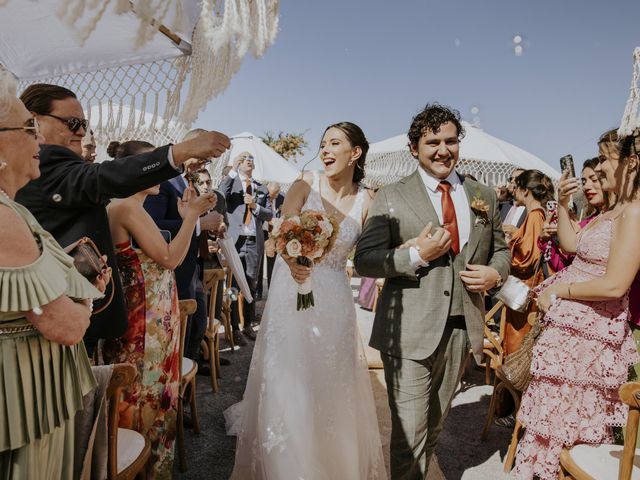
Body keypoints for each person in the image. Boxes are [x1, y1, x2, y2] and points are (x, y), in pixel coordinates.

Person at [354, 103, 511, 479]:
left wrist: (494, 273)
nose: (443, 150)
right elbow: (366, 260)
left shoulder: (482, 195)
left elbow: (501, 249)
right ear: (414, 148)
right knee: (409, 433)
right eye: (432, 142)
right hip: (409, 331)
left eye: (451, 141)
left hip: (462, 327)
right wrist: (415, 255)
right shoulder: (391, 195)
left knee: (435, 425)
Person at [15, 84, 230, 354]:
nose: (81, 131)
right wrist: (180, 152)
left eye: (83, 123)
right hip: (58, 317)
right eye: (72, 122)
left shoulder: (55, 169)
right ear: (34, 120)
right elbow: (105, 176)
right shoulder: (48, 162)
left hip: (75, 310)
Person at [224, 122, 385, 479]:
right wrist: (293, 260)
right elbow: (283, 231)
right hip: (294, 288)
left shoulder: (368, 199)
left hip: (336, 298)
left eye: (335, 144)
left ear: (355, 153)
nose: (325, 150)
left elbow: (372, 254)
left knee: (332, 378)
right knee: (289, 375)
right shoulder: (305, 183)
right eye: (323, 143)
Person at [513, 128, 640, 480]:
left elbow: (616, 285)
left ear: (630, 163)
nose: (598, 168)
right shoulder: (614, 211)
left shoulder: (636, 213)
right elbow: (571, 246)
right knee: (549, 424)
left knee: (568, 430)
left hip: (588, 341)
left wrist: (559, 292)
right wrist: (564, 204)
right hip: (569, 336)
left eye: (604, 159)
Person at [0, 69, 103, 479]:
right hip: (21, 396)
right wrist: (86, 296)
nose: (40, 139)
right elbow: (64, 327)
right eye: (29, 128)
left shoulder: (14, 208)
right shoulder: (4, 216)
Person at [104, 139, 215, 478]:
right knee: (146, 402)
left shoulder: (126, 206)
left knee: (152, 399)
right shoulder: (127, 207)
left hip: (152, 318)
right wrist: (192, 217)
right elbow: (169, 259)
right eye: (151, 162)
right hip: (144, 327)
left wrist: (185, 218)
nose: (161, 170)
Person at [144, 129, 226, 365]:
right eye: (203, 156)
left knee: (197, 326)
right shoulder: (161, 180)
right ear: (190, 144)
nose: (204, 164)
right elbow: (152, 226)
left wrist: (206, 228)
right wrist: (199, 223)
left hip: (190, 268)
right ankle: (179, 388)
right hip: (172, 271)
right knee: (182, 336)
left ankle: (187, 377)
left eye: (208, 161)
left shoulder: (184, 179)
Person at [219, 152, 273, 344]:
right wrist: (232, 170)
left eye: (252, 159)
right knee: (232, 286)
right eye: (245, 159)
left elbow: (269, 214)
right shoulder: (231, 183)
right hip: (234, 241)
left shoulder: (261, 188)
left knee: (251, 284)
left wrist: (256, 206)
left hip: (253, 242)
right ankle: (234, 328)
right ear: (239, 164)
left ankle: (248, 324)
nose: (249, 160)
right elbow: (220, 195)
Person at [503, 169, 554, 357]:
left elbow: (526, 258)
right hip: (527, 290)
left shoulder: (534, 216)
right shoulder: (537, 215)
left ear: (525, 190)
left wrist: (508, 246)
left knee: (518, 343)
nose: (513, 191)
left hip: (525, 291)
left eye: (516, 187)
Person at [536, 158, 606, 274]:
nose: (587, 186)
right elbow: (564, 267)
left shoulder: (622, 216)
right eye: (583, 182)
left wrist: (581, 236)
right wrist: (547, 240)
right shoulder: (584, 223)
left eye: (594, 179)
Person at [262, 181, 285, 293]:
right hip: (264, 232)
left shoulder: (284, 198)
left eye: (273, 195)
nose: (270, 197)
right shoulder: (263, 196)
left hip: (276, 236)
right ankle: (258, 291)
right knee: (260, 262)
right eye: (269, 194)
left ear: (277, 193)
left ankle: (272, 288)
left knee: (272, 261)